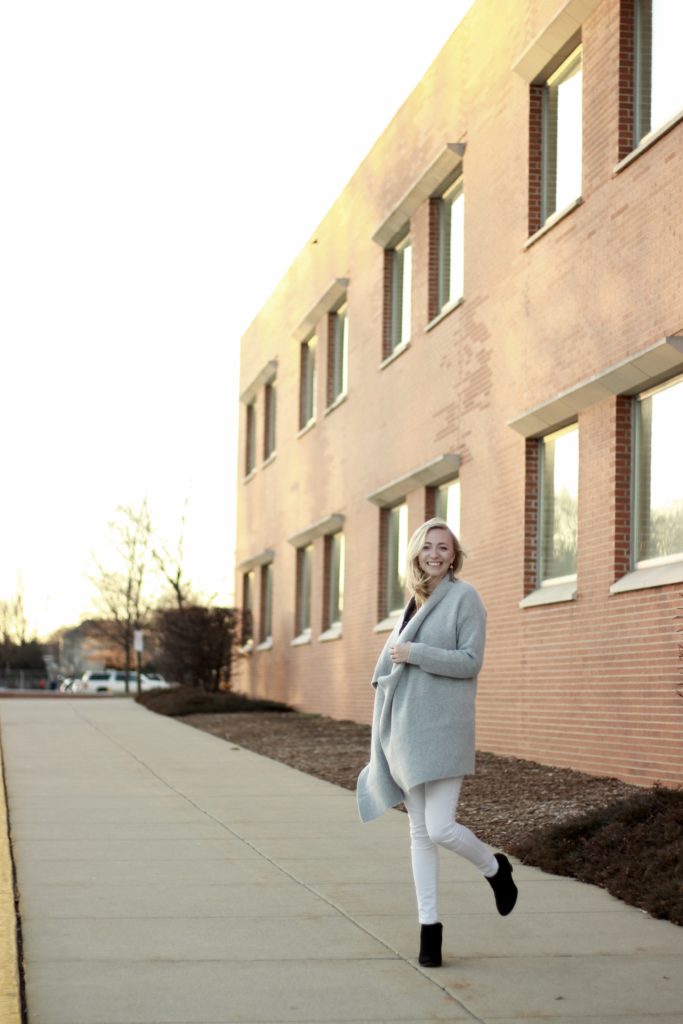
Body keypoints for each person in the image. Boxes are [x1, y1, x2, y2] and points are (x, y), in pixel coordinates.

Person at [357, 517, 517, 968]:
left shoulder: (465, 598)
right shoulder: (413, 602)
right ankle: (429, 931)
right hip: (407, 732)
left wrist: (415, 654)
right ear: (415, 553)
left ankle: (495, 868)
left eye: (443, 547)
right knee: (418, 834)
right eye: (427, 546)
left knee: (440, 827)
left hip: (443, 731)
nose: (435, 553)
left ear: (453, 555)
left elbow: (470, 661)